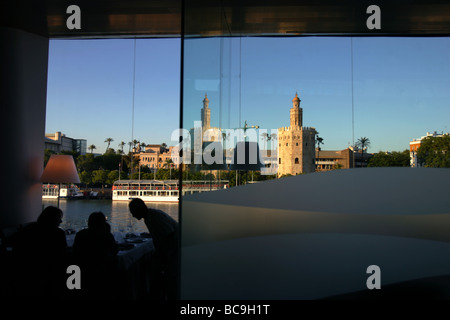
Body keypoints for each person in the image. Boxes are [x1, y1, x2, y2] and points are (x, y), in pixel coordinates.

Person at [128, 198, 179, 300]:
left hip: (175, 251)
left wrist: (161, 256)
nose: (133, 215)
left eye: (133, 212)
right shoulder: (151, 216)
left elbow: (169, 236)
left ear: (138, 209)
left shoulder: (154, 218)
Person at [12, 206, 68, 295]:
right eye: (59, 219)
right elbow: (62, 254)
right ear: (52, 219)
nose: (61, 221)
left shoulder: (28, 229)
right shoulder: (58, 233)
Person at [72, 211, 119, 298]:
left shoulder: (81, 234)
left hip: (81, 271)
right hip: (101, 272)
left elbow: (75, 251)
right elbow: (115, 251)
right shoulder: (106, 235)